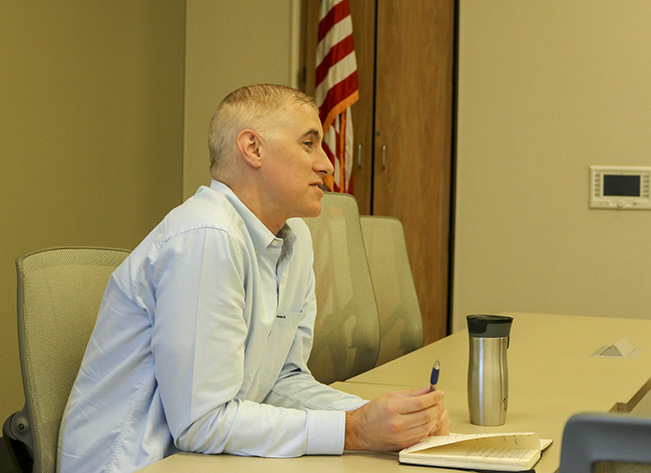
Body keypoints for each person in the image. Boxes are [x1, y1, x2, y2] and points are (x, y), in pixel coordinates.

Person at [57, 84, 451, 473]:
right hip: (138, 463)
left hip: (201, 458)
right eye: (309, 144)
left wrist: (384, 418)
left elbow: (281, 382)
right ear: (253, 149)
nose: (328, 164)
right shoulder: (207, 236)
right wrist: (354, 430)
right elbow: (203, 424)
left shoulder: (293, 244)